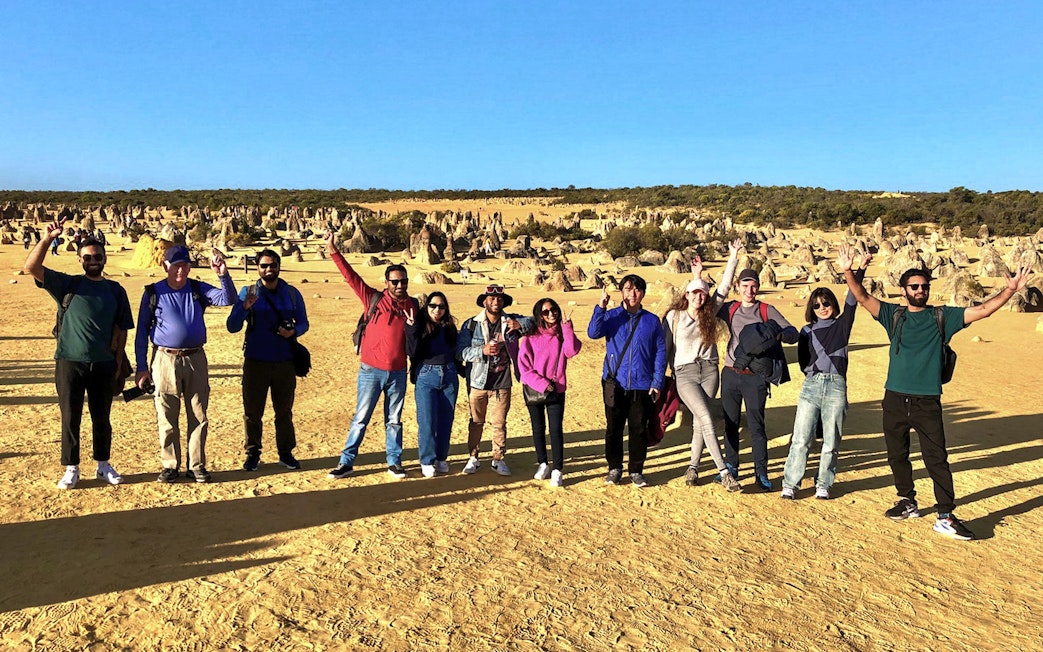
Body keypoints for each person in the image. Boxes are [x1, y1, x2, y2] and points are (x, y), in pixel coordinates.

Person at [840, 242, 1032, 540]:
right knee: (897, 454)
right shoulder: (894, 316)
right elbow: (862, 296)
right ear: (903, 290)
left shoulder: (942, 317)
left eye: (924, 286)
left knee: (936, 457)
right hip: (893, 398)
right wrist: (848, 271)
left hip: (927, 400)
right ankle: (907, 501)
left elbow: (981, 311)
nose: (920, 290)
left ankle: (945, 514)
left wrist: (1009, 290)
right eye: (914, 286)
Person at [25, 219, 134, 489]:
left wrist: (119, 364)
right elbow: (31, 268)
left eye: (98, 256)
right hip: (69, 361)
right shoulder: (67, 285)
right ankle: (71, 468)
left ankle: (103, 465)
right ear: (79, 260)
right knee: (70, 417)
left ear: (105, 258)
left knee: (102, 417)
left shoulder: (115, 291)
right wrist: (48, 238)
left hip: (104, 363)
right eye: (88, 257)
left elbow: (122, 330)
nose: (94, 260)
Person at [134, 244, 237, 484]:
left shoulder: (197, 289)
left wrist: (222, 274)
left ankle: (196, 466)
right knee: (167, 414)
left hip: (195, 358)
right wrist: (142, 367)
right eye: (176, 265)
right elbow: (141, 333)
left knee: (198, 413)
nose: (181, 270)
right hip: (164, 359)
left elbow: (227, 299)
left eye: (185, 265)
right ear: (165, 266)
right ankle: (170, 465)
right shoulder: (153, 292)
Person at [325, 230, 419, 480]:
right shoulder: (373, 298)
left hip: (399, 371)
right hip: (371, 370)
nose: (400, 286)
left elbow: (421, 337)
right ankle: (346, 462)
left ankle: (394, 462)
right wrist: (333, 249)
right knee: (361, 417)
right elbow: (350, 277)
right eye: (395, 282)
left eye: (403, 282)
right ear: (387, 283)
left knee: (394, 420)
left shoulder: (413, 305)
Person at [780, 247, 870, 500]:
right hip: (811, 386)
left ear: (833, 304)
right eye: (817, 304)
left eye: (827, 303)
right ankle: (791, 483)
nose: (822, 307)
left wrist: (856, 269)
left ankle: (823, 484)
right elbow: (802, 361)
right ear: (812, 307)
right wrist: (814, 372)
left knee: (831, 441)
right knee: (801, 438)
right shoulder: (806, 331)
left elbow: (853, 298)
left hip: (836, 387)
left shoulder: (842, 325)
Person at [663, 239, 742, 491]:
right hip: (684, 373)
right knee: (706, 416)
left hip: (709, 370)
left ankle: (693, 467)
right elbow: (666, 347)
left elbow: (725, 286)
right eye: (694, 292)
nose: (699, 296)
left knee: (700, 421)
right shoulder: (673, 316)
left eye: (702, 293)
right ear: (686, 294)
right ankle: (723, 471)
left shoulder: (710, 312)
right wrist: (664, 376)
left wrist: (732, 256)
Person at [226, 249, 309, 472]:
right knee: (252, 411)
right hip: (255, 361)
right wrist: (244, 308)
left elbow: (304, 323)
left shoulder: (291, 293)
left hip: (284, 362)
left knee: (284, 410)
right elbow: (232, 326)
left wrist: (293, 332)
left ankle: (286, 452)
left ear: (279, 267)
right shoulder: (248, 292)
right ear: (257, 268)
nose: (268, 269)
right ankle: (253, 453)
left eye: (272, 265)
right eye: (264, 266)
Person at [718, 267, 799, 491]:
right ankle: (731, 466)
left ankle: (761, 473)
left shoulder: (766, 310)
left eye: (753, 286)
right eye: (745, 286)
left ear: (758, 287)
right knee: (730, 423)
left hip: (755, 378)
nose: (749, 290)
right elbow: (709, 306)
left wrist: (775, 335)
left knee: (757, 426)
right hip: (731, 373)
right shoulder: (730, 308)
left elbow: (793, 333)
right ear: (738, 287)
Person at [587, 274, 667, 487]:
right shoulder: (612, 317)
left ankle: (636, 470)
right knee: (613, 428)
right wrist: (600, 308)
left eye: (637, 289)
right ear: (621, 291)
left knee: (638, 428)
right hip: (615, 382)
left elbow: (660, 351)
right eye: (628, 289)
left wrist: (657, 381)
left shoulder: (651, 321)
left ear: (643, 293)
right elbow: (593, 333)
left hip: (642, 384)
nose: (633, 293)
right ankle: (614, 468)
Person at [456, 285, 534, 476]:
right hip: (477, 381)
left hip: (502, 381)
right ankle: (473, 457)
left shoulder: (510, 321)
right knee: (476, 422)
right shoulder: (470, 324)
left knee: (499, 423)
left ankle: (498, 459)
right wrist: (481, 352)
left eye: (499, 299)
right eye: (491, 298)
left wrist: (520, 325)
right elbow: (460, 352)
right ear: (484, 301)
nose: (495, 302)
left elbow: (535, 321)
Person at [518, 298, 582, 487]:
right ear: (539, 315)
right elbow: (524, 367)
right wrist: (541, 383)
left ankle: (557, 469)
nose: (551, 314)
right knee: (538, 429)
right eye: (546, 312)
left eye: (553, 309)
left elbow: (571, 351)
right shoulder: (530, 336)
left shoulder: (562, 334)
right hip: (535, 389)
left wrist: (568, 327)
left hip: (556, 389)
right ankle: (543, 463)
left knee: (556, 430)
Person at [404, 291, 459, 478]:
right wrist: (411, 327)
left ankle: (441, 458)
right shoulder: (420, 326)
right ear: (426, 307)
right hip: (426, 376)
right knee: (427, 421)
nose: (437, 310)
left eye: (441, 306)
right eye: (433, 306)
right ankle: (427, 460)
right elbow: (411, 351)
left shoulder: (450, 327)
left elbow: (456, 353)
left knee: (446, 420)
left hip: (449, 375)